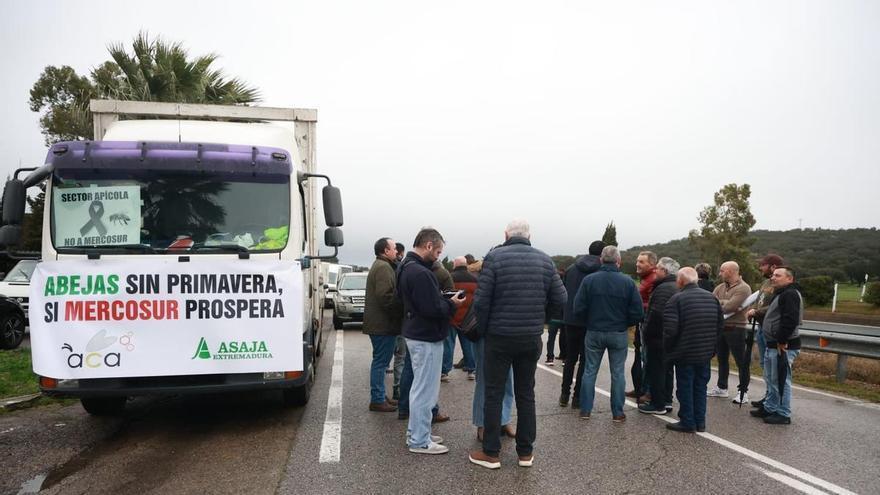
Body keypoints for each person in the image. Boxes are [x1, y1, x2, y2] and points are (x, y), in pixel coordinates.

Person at [469, 219, 566, 470]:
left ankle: (491, 452)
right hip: (530, 336)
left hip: (499, 336)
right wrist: (541, 320)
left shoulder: (495, 258)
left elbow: (481, 301)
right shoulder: (545, 260)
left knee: (493, 393)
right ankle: (525, 453)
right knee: (526, 394)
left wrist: (485, 328)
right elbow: (561, 298)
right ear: (529, 236)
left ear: (506, 235)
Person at [397, 228, 464, 454]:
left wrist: (440, 299)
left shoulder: (405, 266)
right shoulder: (421, 273)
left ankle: (418, 432)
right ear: (428, 246)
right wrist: (452, 303)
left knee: (420, 388)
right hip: (426, 336)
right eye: (438, 252)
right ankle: (419, 440)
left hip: (415, 332)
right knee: (425, 391)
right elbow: (432, 309)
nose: (438, 256)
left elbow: (416, 301)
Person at [573, 245, 643, 422]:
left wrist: (589, 321)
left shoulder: (589, 280)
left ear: (601, 260)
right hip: (618, 331)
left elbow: (578, 308)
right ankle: (617, 412)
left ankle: (585, 410)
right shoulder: (628, 282)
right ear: (618, 261)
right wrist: (625, 324)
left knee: (590, 371)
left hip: (594, 330)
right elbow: (637, 312)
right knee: (618, 373)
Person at [663, 267, 724, 433]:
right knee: (700, 387)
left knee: (685, 387)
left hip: (684, 352)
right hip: (705, 352)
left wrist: (669, 351)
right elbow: (720, 326)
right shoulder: (712, 298)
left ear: (681, 281)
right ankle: (700, 422)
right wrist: (712, 348)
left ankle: (687, 421)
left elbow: (670, 331)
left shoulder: (676, 299)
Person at [468, 257, 517, 444]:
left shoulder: (509, 279)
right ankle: (482, 424)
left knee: (508, 380)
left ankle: (504, 419)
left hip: (506, 335)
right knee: (485, 380)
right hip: (486, 335)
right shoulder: (483, 280)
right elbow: (479, 307)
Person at [750, 267, 803, 425]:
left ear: (789, 279)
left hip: (783, 346)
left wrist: (781, 340)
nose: (773, 278)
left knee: (781, 380)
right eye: (773, 275)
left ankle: (783, 413)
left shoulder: (790, 294)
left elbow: (790, 320)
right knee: (772, 379)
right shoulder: (781, 293)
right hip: (773, 344)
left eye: (778, 275)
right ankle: (770, 407)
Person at [559, 240, 604, 408]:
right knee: (585, 360)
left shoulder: (571, 268)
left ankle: (564, 394)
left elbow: (564, 290)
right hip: (590, 320)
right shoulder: (601, 271)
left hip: (570, 318)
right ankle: (577, 397)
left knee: (570, 358)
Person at [363, 237, 403, 412]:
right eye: (394, 248)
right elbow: (385, 296)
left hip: (380, 324)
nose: (396, 251)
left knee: (380, 361)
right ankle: (377, 399)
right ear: (386, 251)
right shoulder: (384, 267)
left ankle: (379, 395)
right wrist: (400, 312)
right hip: (383, 325)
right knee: (381, 362)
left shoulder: (381, 265)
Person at [637, 257, 679, 415]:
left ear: (665, 271)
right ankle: (666, 400)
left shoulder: (662, 288)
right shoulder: (676, 286)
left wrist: (647, 332)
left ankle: (657, 404)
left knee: (656, 370)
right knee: (667, 371)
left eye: (659, 268)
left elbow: (656, 314)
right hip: (670, 336)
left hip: (658, 337)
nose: (656, 270)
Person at [709, 261, 753, 403]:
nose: (720, 273)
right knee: (722, 359)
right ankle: (722, 387)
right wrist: (725, 303)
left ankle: (743, 392)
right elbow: (711, 303)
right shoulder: (720, 287)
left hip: (736, 327)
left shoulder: (744, 288)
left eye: (722, 270)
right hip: (721, 326)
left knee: (741, 361)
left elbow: (729, 307)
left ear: (731, 271)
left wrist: (722, 303)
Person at [747, 254, 785, 409]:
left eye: (763, 265)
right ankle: (768, 396)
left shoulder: (780, 285)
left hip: (771, 329)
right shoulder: (765, 282)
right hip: (762, 327)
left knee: (772, 368)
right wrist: (753, 309)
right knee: (764, 364)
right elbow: (759, 300)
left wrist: (757, 312)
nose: (760, 268)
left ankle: (774, 400)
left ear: (773, 266)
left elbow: (776, 305)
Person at [628, 251, 658, 402]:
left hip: (648, 323)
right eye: (637, 261)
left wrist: (636, 304)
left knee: (647, 358)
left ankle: (648, 392)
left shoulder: (653, 279)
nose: (637, 264)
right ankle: (640, 388)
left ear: (651, 265)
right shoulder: (646, 278)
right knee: (641, 356)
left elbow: (653, 303)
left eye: (641, 262)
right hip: (642, 321)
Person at [450, 256, 477, 379]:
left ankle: (445, 371)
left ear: (455, 265)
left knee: (449, 345)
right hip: (468, 318)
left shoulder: (450, 277)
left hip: (452, 316)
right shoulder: (474, 279)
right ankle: (471, 369)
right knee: (468, 345)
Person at [390, 242, 407, 396]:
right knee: (401, 356)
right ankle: (398, 389)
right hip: (400, 320)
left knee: (396, 355)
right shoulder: (401, 269)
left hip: (392, 320)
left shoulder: (389, 267)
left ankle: (397, 388)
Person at [545, 268, 567, 365]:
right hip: (564, 317)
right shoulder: (566, 289)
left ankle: (550, 357)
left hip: (553, 317)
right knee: (564, 338)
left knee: (551, 338)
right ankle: (564, 357)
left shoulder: (552, 289)